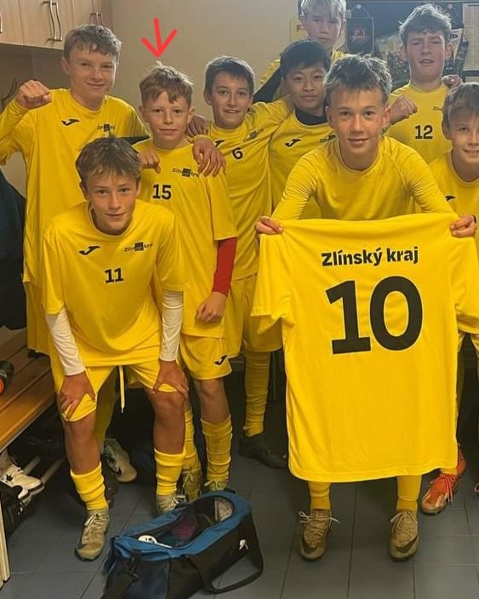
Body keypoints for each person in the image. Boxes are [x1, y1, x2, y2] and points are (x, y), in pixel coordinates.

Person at [256, 54, 476, 561]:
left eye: (369, 113)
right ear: (329, 115)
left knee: (406, 396)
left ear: (385, 114)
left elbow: (439, 217)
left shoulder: (405, 160)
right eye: (346, 113)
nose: (358, 126)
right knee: (321, 396)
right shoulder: (313, 164)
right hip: (333, 298)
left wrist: (457, 229)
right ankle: (319, 506)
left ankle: (405, 507)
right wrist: (273, 231)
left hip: (397, 300)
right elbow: (285, 219)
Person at [0, 24, 221, 486]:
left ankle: (107, 446)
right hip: (60, 261)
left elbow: (160, 138)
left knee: (118, 363)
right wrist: (15, 107)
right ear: (66, 65)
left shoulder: (122, 114)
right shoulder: (41, 109)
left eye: (106, 65)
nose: (96, 74)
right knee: (73, 371)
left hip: (115, 262)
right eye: (85, 64)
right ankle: (89, 459)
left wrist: (200, 135)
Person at [42, 136, 188, 560]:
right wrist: (73, 371)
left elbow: (173, 294)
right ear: (84, 191)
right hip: (82, 339)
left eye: (124, 189)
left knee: (172, 399)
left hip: (141, 331)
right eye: (102, 191)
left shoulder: (160, 222)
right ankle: (96, 509)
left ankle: (167, 493)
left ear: (138, 187)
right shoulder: (60, 231)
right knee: (78, 420)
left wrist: (169, 359)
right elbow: (53, 310)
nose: (115, 203)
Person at [136, 64, 237, 502]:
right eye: (158, 110)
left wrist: (219, 291)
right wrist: (130, 160)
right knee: (171, 391)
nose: (167, 119)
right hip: (152, 303)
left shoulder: (204, 160)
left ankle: (219, 472)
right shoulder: (132, 161)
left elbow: (227, 236)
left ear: (190, 113)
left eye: (176, 110)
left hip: (199, 298)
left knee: (209, 386)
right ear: (143, 112)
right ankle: (189, 466)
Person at [198, 55, 295, 468]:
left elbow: (303, 87)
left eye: (241, 93)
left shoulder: (262, 120)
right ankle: (210, 447)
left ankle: (253, 430)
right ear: (208, 97)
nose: (233, 101)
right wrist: (194, 132)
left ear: (252, 98)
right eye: (223, 92)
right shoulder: (195, 141)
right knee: (211, 365)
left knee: (259, 350)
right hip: (213, 271)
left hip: (257, 262)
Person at [421, 82, 479, 514]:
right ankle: (448, 460)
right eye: (463, 128)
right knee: (441, 379)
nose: (473, 139)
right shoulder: (429, 174)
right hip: (443, 295)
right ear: (446, 130)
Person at [386, 3, 458, 163]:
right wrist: (386, 121)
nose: (426, 49)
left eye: (434, 41)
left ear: (448, 50)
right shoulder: (388, 105)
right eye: (417, 42)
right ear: (403, 52)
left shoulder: (460, 100)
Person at [269, 39, 334, 215]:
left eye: (317, 77)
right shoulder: (272, 125)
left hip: (338, 229)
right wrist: (202, 136)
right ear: (284, 83)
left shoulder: (347, 123)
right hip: (290, 228)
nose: (308, 87)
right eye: (298, 79)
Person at [255, 0, 346, 102]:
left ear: (342, 25)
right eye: (317, 20)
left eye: (332, 22)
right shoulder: (282, 67)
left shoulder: (349, 66)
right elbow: (256, 106)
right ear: (303, 21)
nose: (324, 29)